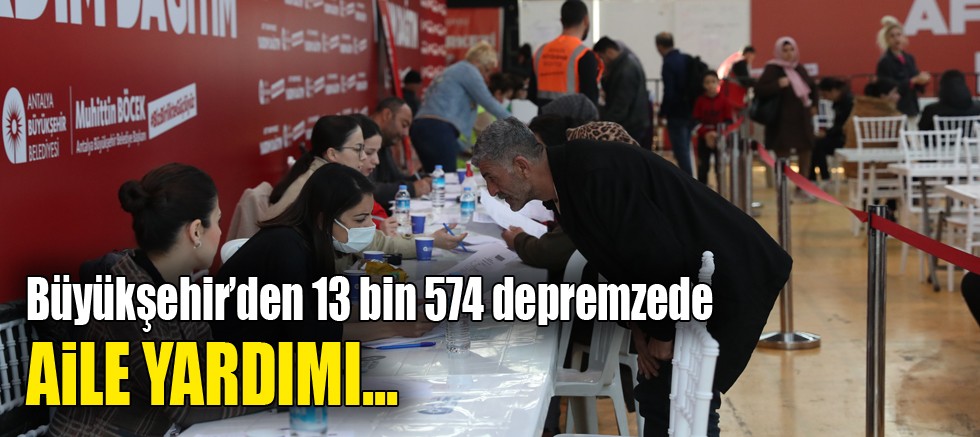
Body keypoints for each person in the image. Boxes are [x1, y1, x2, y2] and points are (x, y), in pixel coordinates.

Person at [472, 117, 791, 437]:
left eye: (491, 177)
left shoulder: (593, 174)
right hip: (685, 287)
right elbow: (622, 262)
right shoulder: (566, 182)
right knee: (658, 395)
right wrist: (640, 325)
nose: (492, 190)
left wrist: (662, 333)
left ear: (522, 166)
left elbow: (661, 256)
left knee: (686, 398)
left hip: (726, 275)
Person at [48, 164, 259, 436]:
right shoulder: (125, 293)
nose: (220, 232)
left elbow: (211, 370)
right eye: (217, 221)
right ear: (196, 231)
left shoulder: (177, 283)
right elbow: (185, 403)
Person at [213, 165, 436, 345]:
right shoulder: (286, 249)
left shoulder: (312, 241)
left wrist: (392, 309)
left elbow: (329, 310)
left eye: (369, 216)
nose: (370, 225)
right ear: (323, 219)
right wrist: (394, 327)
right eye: (360, 219)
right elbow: (310, 335)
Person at [412, 41, 510, 172]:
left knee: (434, 178)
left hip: (419, 127)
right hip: (438, 129)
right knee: (446, 178)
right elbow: (488, 102)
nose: (486, 77)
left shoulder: (450, 71)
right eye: (486, 70)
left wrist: (461, 148)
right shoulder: (469, 70)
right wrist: (516, 123)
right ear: (479, 62)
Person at [755, 36, 818, 201]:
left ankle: (802, 188)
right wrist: (777, 84)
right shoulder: (772, 69)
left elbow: (812, 87)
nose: (789, 53)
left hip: (801, 120)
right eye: (785, 50)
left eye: (791, 50)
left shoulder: (799, 68)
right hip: (781, 122)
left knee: (806, 152)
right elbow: (759, 90)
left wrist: (814, 105)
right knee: (783, 156)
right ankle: (782, 190)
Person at [529, 0, 601, 106]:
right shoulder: (584, 55)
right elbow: (590, 103)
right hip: (574, 116)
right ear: (586, 20)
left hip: (544, 115)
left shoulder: (540, 52)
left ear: (561, 21)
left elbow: (532, 95)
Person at [370, 97, 432, 209]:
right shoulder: (363, 137)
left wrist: (421, 178)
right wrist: (412, 189)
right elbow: (368, 190)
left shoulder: (384, 142)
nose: (405, 133)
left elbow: (394, 178)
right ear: (387, 115)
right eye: (404, 125)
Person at [841, 78, 903, 180]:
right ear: (883, 96)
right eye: (895, 92)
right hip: (887, 168)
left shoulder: (858, 109)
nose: (898, 96)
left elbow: (845, 130)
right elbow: (902, 142)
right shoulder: (894, 116)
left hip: (854, 165)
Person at [593, 36, 651, 141]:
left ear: (609, 52)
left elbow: (620, 105)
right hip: (633, 122)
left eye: (601, 57)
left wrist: (604, 126)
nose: (601, 62)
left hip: (630, 126)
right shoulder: (623, 64)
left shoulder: (625, 71)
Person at [351, 114, 398, 236]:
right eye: (369, 152)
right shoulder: (336, 186)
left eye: (377, 152)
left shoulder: (359, 182)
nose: (376, 161)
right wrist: (379, 230)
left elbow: (378, 213)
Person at [656, 32, 695, 176]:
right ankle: (691, 180)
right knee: (686, 149)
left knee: (681, 152)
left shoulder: (668, 63)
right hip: (690, 111)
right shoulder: (685, 58)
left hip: (676, 113)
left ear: (659, 46)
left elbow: (669, 92)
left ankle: (688, 181)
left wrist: (662, 113)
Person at [875, 16, 930, 117]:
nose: (896, 39)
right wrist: (912, 81)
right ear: (887, 39)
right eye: (892, 36)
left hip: (911, 107)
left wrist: (922, 80)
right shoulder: (885, 61)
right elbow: (887, 85)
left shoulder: (909, 58)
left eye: (899, 35)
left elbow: (915, 79)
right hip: (895, 110)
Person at [692, 70, 735, 186]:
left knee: (719, 168)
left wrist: (717, 134)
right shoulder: (700, 101)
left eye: (713, 81)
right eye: (707, 82)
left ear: (718, 82)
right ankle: (701, 191)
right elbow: (695, 121)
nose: (710, 85)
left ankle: (721, 191)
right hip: (703, 140)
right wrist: (706, 134)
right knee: (703, 168)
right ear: (703, 84)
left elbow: (728, 121)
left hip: (719, 139)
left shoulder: (725, 101)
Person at [811, 77, 854, 184]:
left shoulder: (848, 103)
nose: (825, 98)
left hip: (848, 140)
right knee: (815, 144)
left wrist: (827, 133)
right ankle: (816, 177)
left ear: (834, 91)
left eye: (825, 95)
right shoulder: (839, 102)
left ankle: (821, 177)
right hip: (839, 136)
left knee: (818, 145)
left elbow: (844, 127)